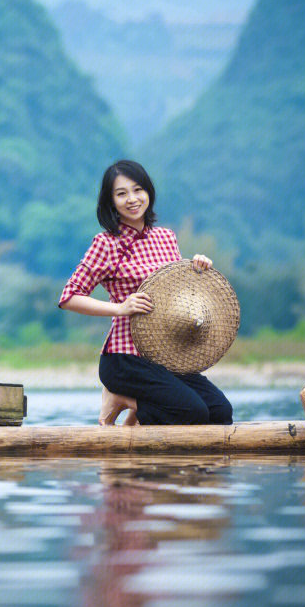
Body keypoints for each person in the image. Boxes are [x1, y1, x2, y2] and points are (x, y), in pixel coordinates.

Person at [58, 160, 233, 426]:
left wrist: (198, 268)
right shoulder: (106, 243)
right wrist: (119, 307)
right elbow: (69, 296)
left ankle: (134, 419)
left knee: (220, 411)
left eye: (137, 190)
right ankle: (121, 399)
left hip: (166, 356)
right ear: (110, 201)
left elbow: (178, 295)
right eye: (121, 193)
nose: (132, 199)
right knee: (192, 412)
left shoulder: (166, 237)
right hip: (124, 358)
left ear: (148, 191)